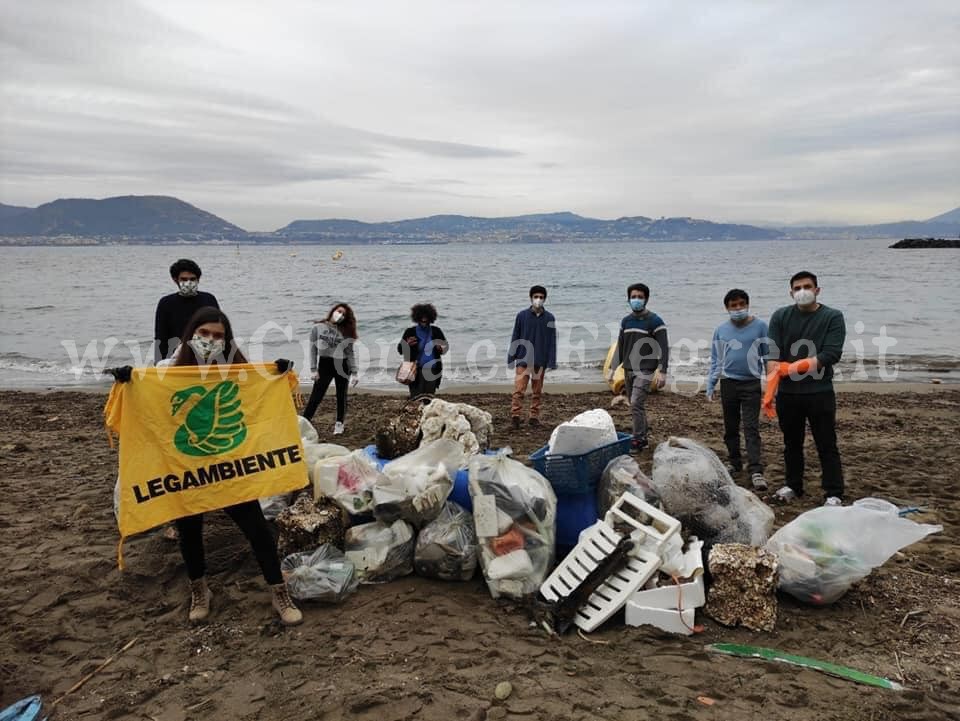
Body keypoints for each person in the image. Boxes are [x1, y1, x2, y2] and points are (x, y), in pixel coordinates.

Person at [129, 306, 302, 625]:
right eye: (204, 333)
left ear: (227, 340)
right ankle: (200, 590)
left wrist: (277, 373)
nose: (210, 340)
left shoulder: (236, 365)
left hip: (228, 465)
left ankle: (279, 591)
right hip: (187, 467)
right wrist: (128, 381)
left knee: (258, 530)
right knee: (189, 531)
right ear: (191, 333)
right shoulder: (169, 368)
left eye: (218, 336)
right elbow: (150, 403)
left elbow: (257, 395)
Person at [767, 271, 846, 506]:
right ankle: (793, 485)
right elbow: (772, 355)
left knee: (826, 443)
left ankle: (834, 492)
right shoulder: (780, 316)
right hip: (789, 395)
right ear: (791, 292)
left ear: (817, 290)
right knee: (791, 444)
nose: (803, 291)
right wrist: (769, 393)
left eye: (807, 286)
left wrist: (789, 369)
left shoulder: (832, 317)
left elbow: (830, 354)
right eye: (798, 288)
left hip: (819, 392)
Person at [706, 289, 769, 490]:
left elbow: (768, 356)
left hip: (751, 383)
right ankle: (734, 463)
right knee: (730, 428)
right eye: (734, 305)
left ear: (748, 304)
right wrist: (711, 384)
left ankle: (756, 470)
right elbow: (716, 359)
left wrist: (770, 383)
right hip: (728, 383)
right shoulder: (721, 330)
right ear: (727, 308)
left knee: (751, 428)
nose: (738, 308)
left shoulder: (760, 327)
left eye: (742, 304)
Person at [609, 283, 668, 452]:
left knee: (635, 402)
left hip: (646, 369)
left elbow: (664, 347)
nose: (636, 300)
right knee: (637, 405)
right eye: (633, 297)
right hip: (628, 369)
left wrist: (663, 371)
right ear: (628, 299)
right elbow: (621, 346)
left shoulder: (655, 321)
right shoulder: (626, 321)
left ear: (646, 299)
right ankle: (643, 437)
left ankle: (638, 439)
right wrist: (613, 369)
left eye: (640, 297)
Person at [302, 303, 359, 434]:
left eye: (344, 314)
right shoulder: (318, 327)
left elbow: (350, 353)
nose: (340, 315)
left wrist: (355, 372)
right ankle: (305, 421)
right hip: (325, 364)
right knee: (316, 395)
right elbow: (312, 349)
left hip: (342, 365)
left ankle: (339, 423)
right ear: (333, 311)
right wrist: (313, 369)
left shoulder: (346, 331)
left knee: (341, 395)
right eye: (339, 311)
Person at [508, 285, 557, 429]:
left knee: (537, 391)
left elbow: (552, 341)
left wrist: (551, 361)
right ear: (531, 298)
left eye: (541, 297)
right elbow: (515, 336)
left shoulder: (549, 318)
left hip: (540, 360)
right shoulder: (521, 316)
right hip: (523, 359)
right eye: (536, 297)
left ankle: (533, 417)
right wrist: (511, 356)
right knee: (519, 390)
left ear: (545, 299)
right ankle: (515, 416)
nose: (538, 300)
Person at [154, 259, 219, 363]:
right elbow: (161, 338)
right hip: (176, 358)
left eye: (192, 279)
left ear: (198, 279)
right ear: (175, 280)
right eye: (184, 279)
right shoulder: (166, 303)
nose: (188, 283)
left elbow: (219, 331)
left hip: (207, 356)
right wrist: (159, 364)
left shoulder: (209, 299)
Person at [398, 303, 448, 397]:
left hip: (432, 369)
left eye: (426, 318)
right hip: (415, 369)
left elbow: (445, 348)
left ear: (430, 318)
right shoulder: (410, 332)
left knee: (429, 397)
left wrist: (441, 348)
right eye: (422, 318)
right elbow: (400, 350)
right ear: (417, 318)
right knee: (416, 397)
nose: (424, 320)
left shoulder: (436, 331)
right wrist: (407, 344)